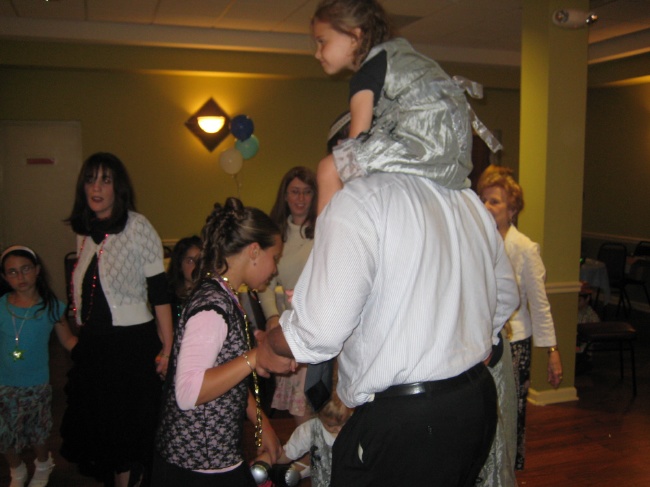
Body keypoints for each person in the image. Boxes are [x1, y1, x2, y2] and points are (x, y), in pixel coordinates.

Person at [255, 164, 519, 485]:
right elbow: (506, 296)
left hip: (406, 417)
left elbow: (321, 332)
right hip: (473, 399)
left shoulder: (362, 200)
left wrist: (269, 345)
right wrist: (476, 341)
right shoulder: (468, 201)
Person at [312, 0, 502, 213]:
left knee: (328, 168)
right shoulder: (399, 55)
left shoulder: (366, 75)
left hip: (421, 147)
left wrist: (344, 156)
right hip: (453, 158)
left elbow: (357, 139)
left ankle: (328, 231)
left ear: (354, 36)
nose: (317, 53)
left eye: (322, 42)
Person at [152, 197, 283, 487]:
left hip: (213, 455)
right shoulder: (212, 306)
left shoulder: (224, 295)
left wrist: (261, 422)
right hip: (197, 464)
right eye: (275, 257)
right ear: (254, 251)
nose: (275, 269)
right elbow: (188, 391)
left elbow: (224, 372)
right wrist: (255, 357)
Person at [60, 152, 173, 487]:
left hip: (130, 348)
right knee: (104, 435)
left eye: (105, 180)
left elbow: (160, 293)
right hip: (96, 349)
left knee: (127, 437)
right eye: (90, 180)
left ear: (118, 188)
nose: (96, 187)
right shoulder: (85, 232)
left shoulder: (138, 227)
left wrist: (168, 348)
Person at [477, 165, 563, 471]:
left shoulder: (525, 248)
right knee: (482, 412)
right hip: (479, 343)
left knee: (510, 412)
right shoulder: (476, 243)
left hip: (514, 345)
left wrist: (552, 352)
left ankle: (508, 471)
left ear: (512, 210)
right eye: (483, 199)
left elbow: (539, 305)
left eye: (495, 201)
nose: (487, 206)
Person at [1, 246, 78, 487]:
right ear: (5, 277)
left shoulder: (51, 307)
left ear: (36, 270)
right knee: (4, 433)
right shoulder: (1, 306)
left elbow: (68, 340)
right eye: (13, 272)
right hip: (3, 382)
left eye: (25, 269)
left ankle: (43, 464)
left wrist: (92, 350)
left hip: (36, 384)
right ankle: (16, 469)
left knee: (37, 431)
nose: (20, 277)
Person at [258, 167, 317, 425]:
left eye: (307, 192)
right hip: (291, 327)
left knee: (327, 408)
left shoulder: (325, 229)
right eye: (295, 192)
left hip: (322, 323)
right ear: (285, 195)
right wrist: (272, 317)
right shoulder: (275, 235)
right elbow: (266, 284)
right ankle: (308, 452)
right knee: (300, 409)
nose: (300, 199)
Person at [253, 389, 353, 487]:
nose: (339, 429)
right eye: (331, 425)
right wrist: (269, 456)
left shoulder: (356, 426)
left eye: (344, 423)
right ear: (319, 416)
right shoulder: (308, 431)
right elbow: (287, 455)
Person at [166, 236, 202, 326]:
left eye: (200, 261)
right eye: (190, 261)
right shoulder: (169, 297)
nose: (196, 266)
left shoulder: (211, 293)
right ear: (179, 265)